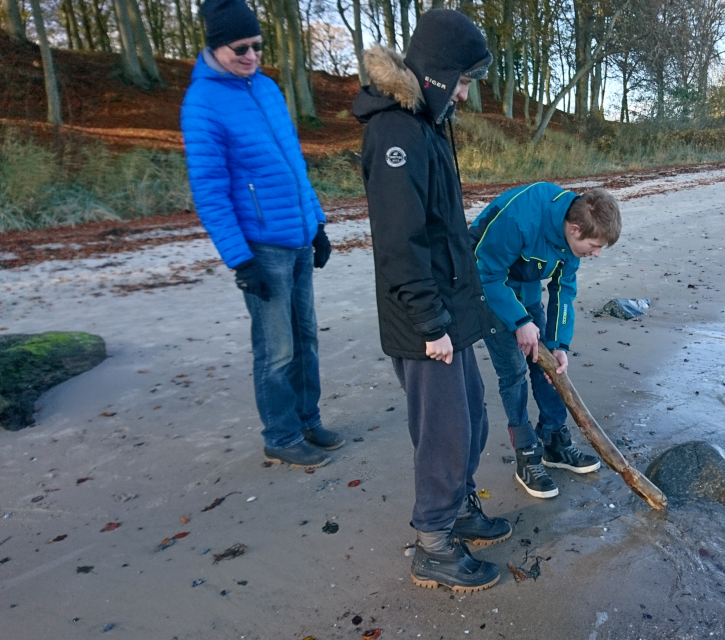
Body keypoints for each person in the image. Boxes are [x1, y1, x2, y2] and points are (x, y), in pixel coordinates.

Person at [353, 9, 511, 593]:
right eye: (464, 81)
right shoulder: (396, 132)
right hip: (425, 320)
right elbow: (400, 243)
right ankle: (435, 543)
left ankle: (462, 507)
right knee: (443, 431)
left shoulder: (426, 122)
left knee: (470, 415)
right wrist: (430, 322)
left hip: (449, 311)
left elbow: (442, 228)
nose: (466, 95)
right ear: (440, 74)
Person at [180, 0, 343, 471]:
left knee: (306, 337)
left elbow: (295, 166)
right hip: (261, 246)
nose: (251, 55)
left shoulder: (268, 88)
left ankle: (308, 420)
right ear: (215, 46)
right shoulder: (202, 103)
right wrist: (239, 259)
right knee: (277, 349)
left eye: (257, 46)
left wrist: (317, 226)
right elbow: (209, 192)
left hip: (296, 236)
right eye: (240, 48)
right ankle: (281, 434)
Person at [470, 183, 622, 498]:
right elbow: (486, 273)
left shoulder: (572, 235)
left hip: (523, 283)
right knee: (513, 371)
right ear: (575, 229)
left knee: (548, 366)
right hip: (485, 282)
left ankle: (553, 440)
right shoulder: (521, 218)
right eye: (594, 246)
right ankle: (526, 454)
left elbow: (564, 290)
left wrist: (558, 344)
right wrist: (521, 321)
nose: (595, 254)